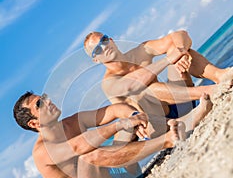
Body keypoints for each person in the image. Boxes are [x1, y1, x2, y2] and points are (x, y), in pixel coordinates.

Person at [13, 91, 212, 178]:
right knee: (88, 157)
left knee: (130, 125)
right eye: (40, 104)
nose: (48, 101)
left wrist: (134, 117)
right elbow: (77, 147)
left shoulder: (72, 122)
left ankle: (186, 123)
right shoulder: (41, 151)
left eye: (44, 97)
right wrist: (119, 125)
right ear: (34, 123)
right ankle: (167, 140)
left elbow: (115, 109)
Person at [84, 31, 231, 138]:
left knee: (177, 49)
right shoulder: (108, 83)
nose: (103, 47)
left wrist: (180, 51)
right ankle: (211, 90)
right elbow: (131, 85)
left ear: (111, 40)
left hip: (182, 102)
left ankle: (221, 76)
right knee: (144, 90)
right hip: (162, 125)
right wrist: (169, 59)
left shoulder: (140, 51)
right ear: (96, 60)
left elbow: (180, 35)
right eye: (97, 49)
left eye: (103, 41)